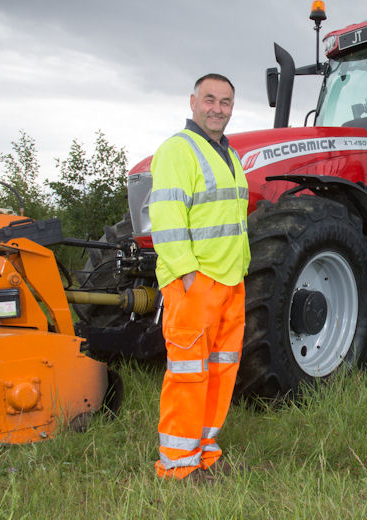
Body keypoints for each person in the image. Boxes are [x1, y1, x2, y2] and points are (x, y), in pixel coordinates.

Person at [149, 73, 251, 480]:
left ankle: (205, 454)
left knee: (220, 371)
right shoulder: (179, 149)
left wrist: (239, 273)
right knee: (188, 375)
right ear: (193, 102)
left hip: (230, 281)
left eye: (226, 102)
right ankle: (176, 466)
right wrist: (187, 274)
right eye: (210, 99)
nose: (218, 108)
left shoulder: (228, 153)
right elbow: (167, 219)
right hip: (195, 281)